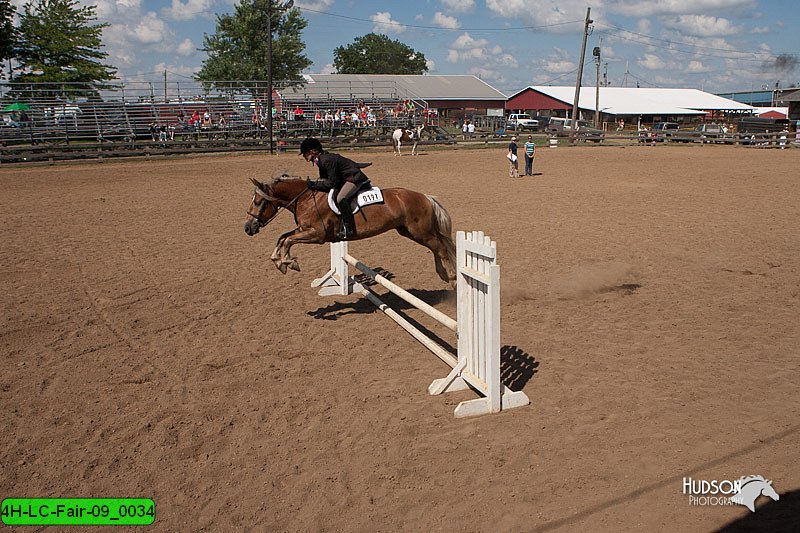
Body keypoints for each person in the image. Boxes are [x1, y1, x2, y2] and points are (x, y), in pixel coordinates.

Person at [300, 137, 371, 241]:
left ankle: (349, 229)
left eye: (305, 153)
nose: (303, 156)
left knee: (341, 198)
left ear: (312, 151)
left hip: (354, 178)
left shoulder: (325, 160)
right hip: (344, 178)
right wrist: (316, 183)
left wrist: (314, 185)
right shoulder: (320, 160)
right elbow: (324, 178)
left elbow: (333, 182)